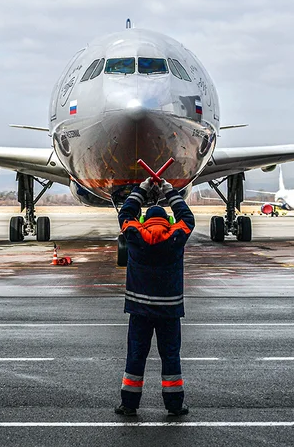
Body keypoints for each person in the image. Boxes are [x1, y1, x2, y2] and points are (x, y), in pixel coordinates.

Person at [114, 176, 195, 417]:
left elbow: (125, 214)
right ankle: (174, 405)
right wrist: (171, 193)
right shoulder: (175, 235)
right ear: (168, 220)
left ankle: (129, 404)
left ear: (143, 220)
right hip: (169, 311)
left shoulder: (135, 234)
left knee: (135, 357)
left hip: (139, 310)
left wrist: (140, 190)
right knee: (170, 357)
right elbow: (188, 219)